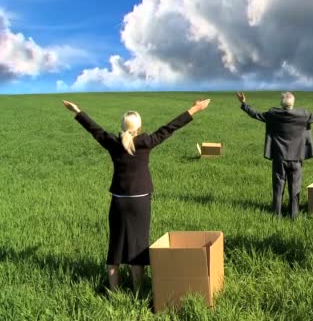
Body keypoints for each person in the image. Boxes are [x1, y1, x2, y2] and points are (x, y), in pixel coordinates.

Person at [62, 98, 211, 290]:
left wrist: (77, 111)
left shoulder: (114, 143)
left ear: (122, 127)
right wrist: (196, 108)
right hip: (140, 202)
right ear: (139, 128)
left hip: (118, 201)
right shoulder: (146, 142)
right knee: (138, 248)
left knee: (115, 246)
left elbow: (94, 129)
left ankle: (114, 291)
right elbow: (170, 127)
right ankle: (138, 290)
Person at [237, 91, 313, 218]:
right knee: (295, 188)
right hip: (297, 158)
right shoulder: (303, 114)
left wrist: (243, 103)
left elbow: (256, 114)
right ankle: (293, 215)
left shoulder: (273, 114)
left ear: (281, 103)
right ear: (293, 103)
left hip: (279, 158)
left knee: (278, 187)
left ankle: (276, 214)